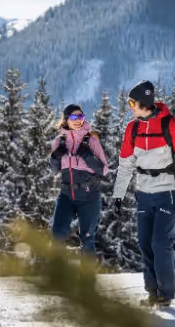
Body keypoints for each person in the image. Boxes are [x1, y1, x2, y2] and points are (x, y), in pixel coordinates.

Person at [109, 81, 175, 308]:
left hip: (167, 192)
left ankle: (165, 294)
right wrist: (118, 195)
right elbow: (126, 164)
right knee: (145, 243)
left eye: (132, 103)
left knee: (161, 243)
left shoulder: (173, 126)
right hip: (143, 193)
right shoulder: (133, 128)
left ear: (144, 103)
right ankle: (152, 292)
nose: (130, 107)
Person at [48, 104, 110, 261]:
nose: (78, 120)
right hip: (66, 194)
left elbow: (104, 169)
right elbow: (54, 169)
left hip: (89, 196)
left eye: (80, 117)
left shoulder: (91, 140)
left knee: (87, 239)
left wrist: (87, 155)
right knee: (57, 236)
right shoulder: (59, 141)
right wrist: (55, 156)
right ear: (66, 119)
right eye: (74, 117)